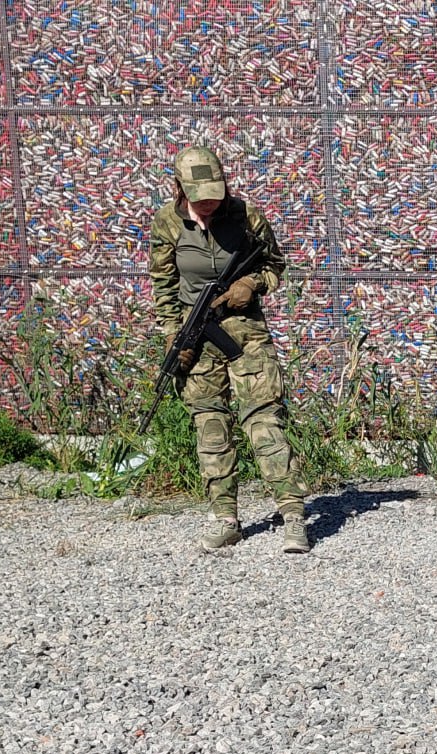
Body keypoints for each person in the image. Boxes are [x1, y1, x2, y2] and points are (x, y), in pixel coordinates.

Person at [148, 145, 311, 554]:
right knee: (210, 426)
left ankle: (293, 515)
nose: (208, 203)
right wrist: (174, 337)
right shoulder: (166, 223)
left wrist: (250, 285)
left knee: (264, 422)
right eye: (199, 196)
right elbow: (164, 288)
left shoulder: (245, 216)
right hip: (196, 333)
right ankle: (226, 519)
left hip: (246, 332)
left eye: (214, 194)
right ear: (180, 189)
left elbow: (274, 264)